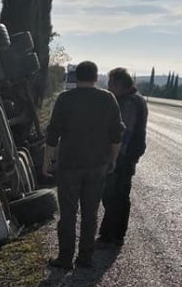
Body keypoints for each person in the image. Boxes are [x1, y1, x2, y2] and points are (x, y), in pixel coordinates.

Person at [43, 60, 124, 270]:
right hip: (97, 166)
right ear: (96, 78)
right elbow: (116, 135)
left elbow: (53, 135)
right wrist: (112, 159)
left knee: (68, 214)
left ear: (75, 77)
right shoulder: (108, 99)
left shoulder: (65, 99)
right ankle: (85, 258)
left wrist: (48, 162)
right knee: (90, 213)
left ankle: (65, 258)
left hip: (69, 165)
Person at [97, 67, 148, 246]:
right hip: (129, 156)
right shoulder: (138, 99)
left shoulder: (128, 103)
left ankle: (108, 236)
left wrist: (113, 157)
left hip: (122, 157)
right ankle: (118, 234)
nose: (109, 87)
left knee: (113, 195)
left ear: (119, 84)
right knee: (122, 195)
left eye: (110, 84)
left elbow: (124, 133)